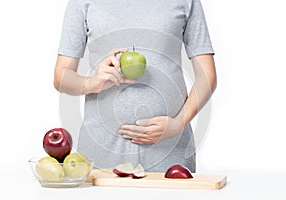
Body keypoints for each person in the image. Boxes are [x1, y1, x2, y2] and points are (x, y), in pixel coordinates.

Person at [54, 0, 217, 172]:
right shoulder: (81, 2)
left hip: (169, 153)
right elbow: (61, 77)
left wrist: (178, 124)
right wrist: (91, 83)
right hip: (100, 154)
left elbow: (207, 76)